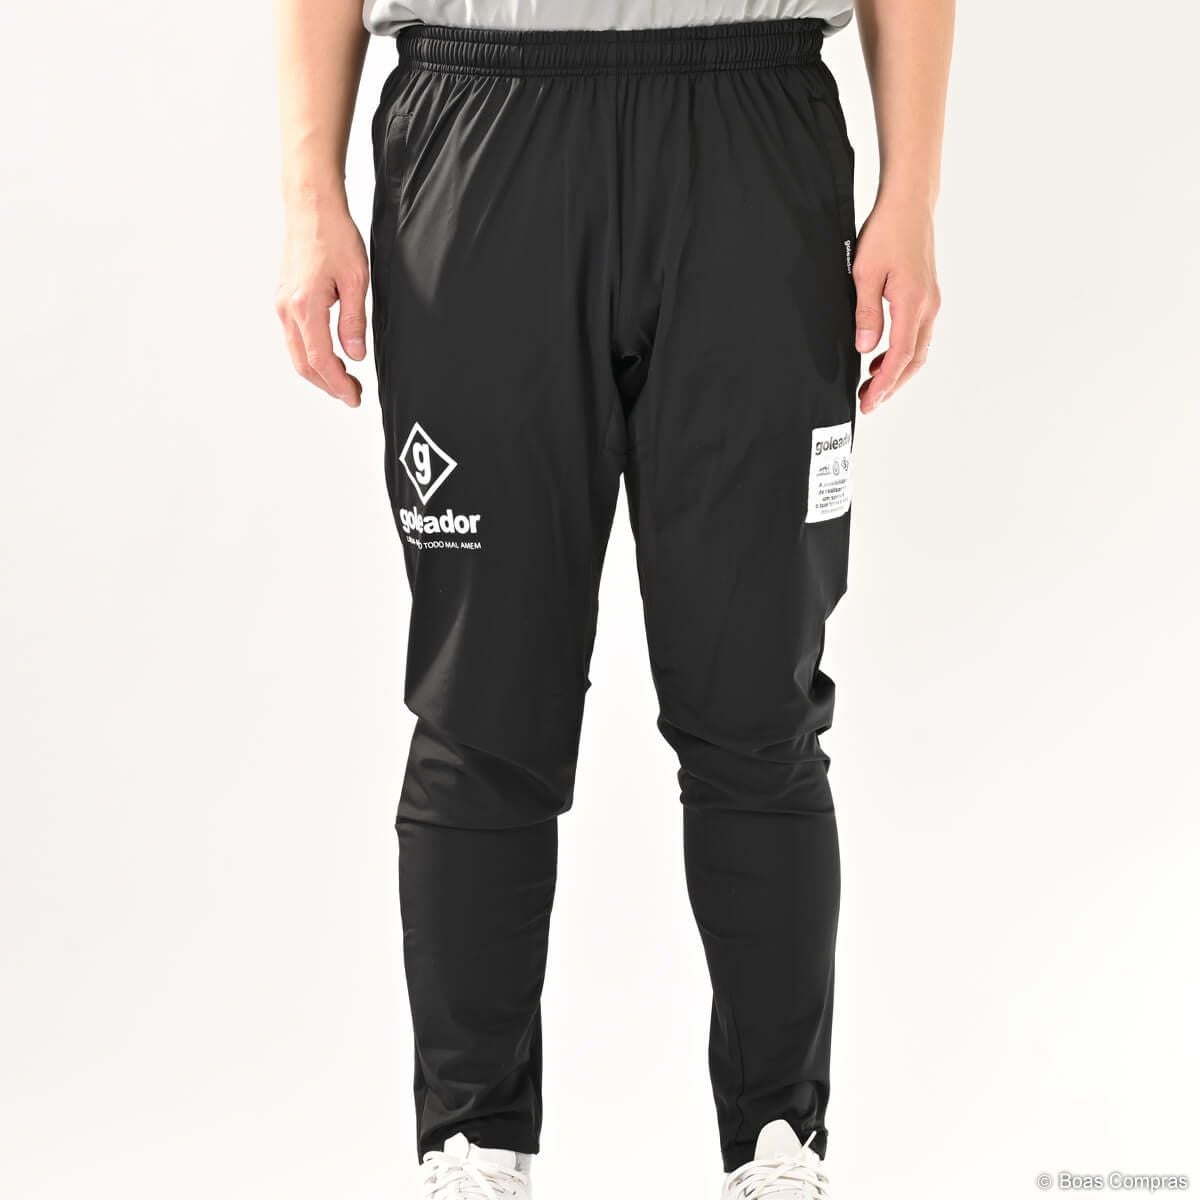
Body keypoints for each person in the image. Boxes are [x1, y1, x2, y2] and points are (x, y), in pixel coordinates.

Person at [274, 0, 952, 1194]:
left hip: (752, 129)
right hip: (481, 125)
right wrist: (306, 193)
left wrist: (913, 192)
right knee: (482, 702)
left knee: (758, 706)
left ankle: (779, 1148)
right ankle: (473, 1148)